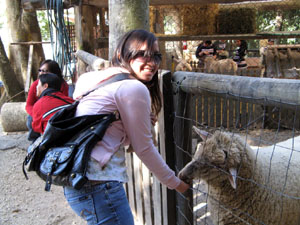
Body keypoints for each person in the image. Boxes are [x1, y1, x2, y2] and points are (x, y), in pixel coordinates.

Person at [65, 29, 190, 225]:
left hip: (76, 182)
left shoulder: (91, 79)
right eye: (142, 54)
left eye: (156, 56)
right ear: (120, 55)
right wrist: (178, 184)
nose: (152, 62)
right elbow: (143, 149)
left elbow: (122, 142)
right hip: (98, 185)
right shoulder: (134, 88)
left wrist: (137, 124)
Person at [25, 60, 69, 141]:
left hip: (54, 111)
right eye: (40, 70)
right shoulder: (36, 84)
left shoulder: (63, 85)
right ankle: (34, 142)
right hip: (38, 111)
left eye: (45, 71)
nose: (41, 73)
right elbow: (28, 105)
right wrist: (36, 114)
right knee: (31, 120)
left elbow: (60, 103)